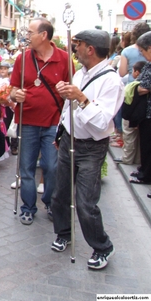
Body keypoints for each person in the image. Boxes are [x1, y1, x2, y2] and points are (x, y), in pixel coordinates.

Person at [51, 29, 123, 270]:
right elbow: (69, 111)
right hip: (69, 141)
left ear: (90, 49)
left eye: (78, 44)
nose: (75, 49)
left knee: (85, 202)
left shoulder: (111, 80)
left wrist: (81, 98)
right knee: (60, 195)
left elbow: (103, 121)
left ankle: (102, 246)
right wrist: (61, 132)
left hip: (92, 148)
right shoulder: (80, 73)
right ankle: (63, 233)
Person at [10, 17, 71, 225]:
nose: (27, 36)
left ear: (43, 35)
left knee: (52, 167)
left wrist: (67, 92)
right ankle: (28, 206)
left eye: (30, 32)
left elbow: (71, 92)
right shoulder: (22, 58)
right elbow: (11, 90)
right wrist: (15, 95)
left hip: (54, 122)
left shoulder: (64, 59)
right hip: (27, 121)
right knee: (26, 167)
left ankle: (50, 202)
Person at [128, 31, 151, 184]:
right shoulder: (148, 64)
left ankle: (147, 175)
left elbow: (144, 86)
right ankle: (145, 171)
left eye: (143, 51)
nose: (142, 55)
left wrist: (138, 87)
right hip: (146, 112)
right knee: (145, 145)